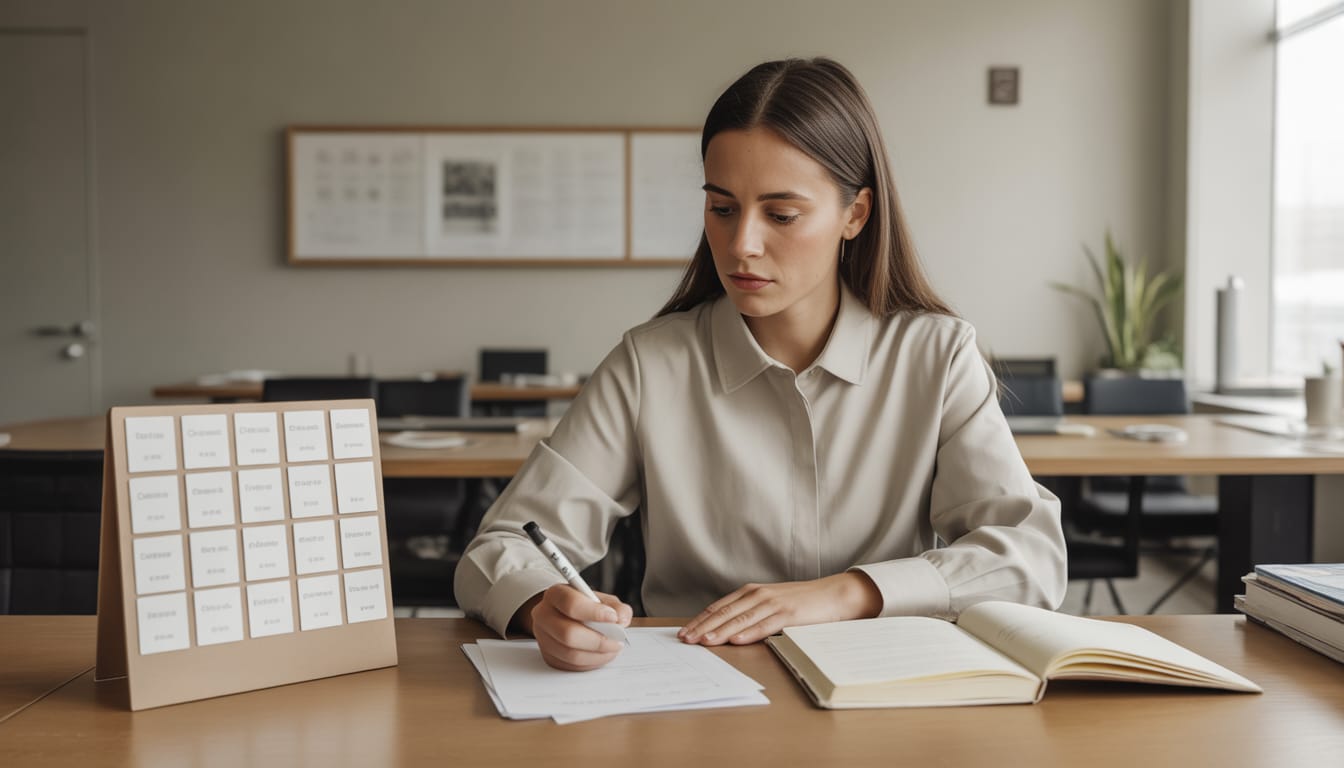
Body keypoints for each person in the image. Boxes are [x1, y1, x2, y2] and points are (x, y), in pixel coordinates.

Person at [454, 57, 1067, 671]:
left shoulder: (936, 356)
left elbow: (1031, 558)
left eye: (781, 215)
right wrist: (540, 604)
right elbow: (501, 547)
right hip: (697, 685)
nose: (741, 244)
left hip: (882, 687)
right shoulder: (649, 365)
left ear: (855, 214)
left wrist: (846, 593)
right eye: (722, 209)